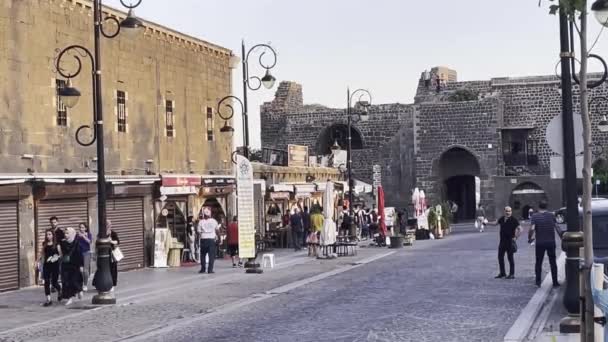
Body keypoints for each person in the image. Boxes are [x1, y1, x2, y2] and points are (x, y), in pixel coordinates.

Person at [529, 200, 562, 288]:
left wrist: (530, 238)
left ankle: (538, 282)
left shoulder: (535, 216)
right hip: (550, 242)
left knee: (539, 262)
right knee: (553, 262)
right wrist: (561, 237)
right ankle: (555, 282)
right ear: (546, 206)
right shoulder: (551, 215)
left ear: (538, 207)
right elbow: (557, 227)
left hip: (540, 243)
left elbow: (532, 229)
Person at [488, 206, 521, 279]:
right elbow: (495, 223)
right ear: (504, 211)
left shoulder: (514, 220)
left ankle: (512, 274)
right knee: (500, 257)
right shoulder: (502, 218)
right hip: (502, 241)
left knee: (510, 258)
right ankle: (502, 273)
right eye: (506, 211)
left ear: (511, 212)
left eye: (509, 211)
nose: (508, 212)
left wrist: (516, 238)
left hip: (510, 242)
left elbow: (520, 229)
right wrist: (487, 223)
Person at [60, 227, 84, 306]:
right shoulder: (63, 243)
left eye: (67, 233)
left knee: (74, 281)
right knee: (66, 282)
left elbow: (80, 255)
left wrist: (81, 265)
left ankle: (79, 290)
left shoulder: (77, 243)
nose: (65, 235)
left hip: (75, 265)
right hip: (66, 264)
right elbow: (61, 253)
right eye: (65, 233)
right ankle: (69, 298)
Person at [40, 229, 61, 306]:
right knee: (46, 281)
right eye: (47, 234)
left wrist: (55, 258)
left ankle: (59, 290)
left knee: (54, 282)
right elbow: (42, 254)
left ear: (53, 235)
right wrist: (40, 264)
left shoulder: (57, 244)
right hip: (46, 265)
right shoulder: (44, 244)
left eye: (49, 234)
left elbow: (60, 254)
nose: (48, 236)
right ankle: (48, 299)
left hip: (55, 264)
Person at [197, 208, 220, 274]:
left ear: (204, 214)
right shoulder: (214, 221)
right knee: (211, 255)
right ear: (210, 214)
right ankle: (210, 270)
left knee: (203, 255)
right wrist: (219, 238)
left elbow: (198, 232)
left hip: (203, 239)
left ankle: (203, 269)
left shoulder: (201, 222)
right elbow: (217, 230)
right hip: (211, 239)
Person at [77, 223, 92, 291]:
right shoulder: (77, 235)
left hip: (86, 253)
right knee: (80, 270)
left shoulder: (88, 234)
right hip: (79, 254)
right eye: (80, 227)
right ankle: (80, 283)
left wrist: (83, 236)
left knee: (85, 270)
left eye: (82, 227)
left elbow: (89, 241)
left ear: (85, 228)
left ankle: (85, 285)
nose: (81, 229)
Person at [107, 220, 120, 289]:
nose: (108, 226)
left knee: (113, 268)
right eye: (106, 224)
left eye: (109, 224)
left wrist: (111, 241)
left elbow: (117, 241)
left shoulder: (113, 233)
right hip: (104, 253)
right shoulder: (101, 233)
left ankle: (112, 284)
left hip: (112, 253)